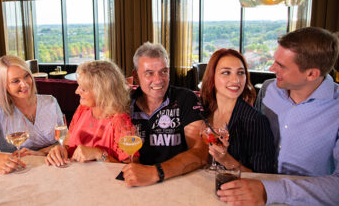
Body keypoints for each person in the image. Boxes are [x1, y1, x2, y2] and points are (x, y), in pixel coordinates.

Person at [218, 27, 339, 205]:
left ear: (311, 74)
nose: (271, 68)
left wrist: (269, 191)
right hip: (252, 194)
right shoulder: (268, 89)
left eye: (281, 65)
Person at [122, 42, 208, 187]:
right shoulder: (124, 104)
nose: (158, 80)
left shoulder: (186, 99)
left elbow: (201, 153)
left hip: (177, 181)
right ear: (136, 76)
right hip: (133, 183)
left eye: (164, 71)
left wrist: (155, 173)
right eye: (149, 73)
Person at [46, 60, 135, 166]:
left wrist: (99, 154)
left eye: (83, 89)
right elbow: (67, 144)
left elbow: (132, 169)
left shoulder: (120, 121)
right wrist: (60, 150)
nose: (77, 91)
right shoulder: (83, 109)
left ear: (102, 92)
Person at [200, 48, 275, 173]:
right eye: (226, 73)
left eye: (240, 73)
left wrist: (226, 160)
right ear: (212, 77)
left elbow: (263, 177)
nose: (236, 80)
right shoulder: (203, 110)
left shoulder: (255, 121)